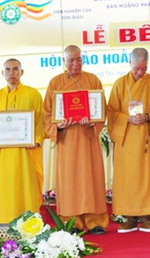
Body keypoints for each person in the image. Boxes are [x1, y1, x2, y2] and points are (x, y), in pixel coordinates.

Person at [43, 45, 109, 235]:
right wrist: (59, 126)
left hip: (88, 139)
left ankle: (95, 222)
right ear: (63, 61)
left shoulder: (93, 80)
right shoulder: (55, 83)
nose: (75, 64)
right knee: (70, 180)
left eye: (79, 59)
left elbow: (101, 109)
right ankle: (72, 222)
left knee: (91, 179)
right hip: (67, 141)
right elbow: (47, 113)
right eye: (71, 60)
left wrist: (94, 121)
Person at [107, 48, 150, 233]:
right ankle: (129, 218)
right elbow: (111, 112)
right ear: (129, 63)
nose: (140, 72)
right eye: (137, 68)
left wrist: (148, 116)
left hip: (146, 138)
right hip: (125, 140)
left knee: (147, 178)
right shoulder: (119, 84)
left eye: (144, 68)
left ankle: (147, 216)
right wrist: (127, 119)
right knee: (127, 179)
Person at [0, 59, 45, 224]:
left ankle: (30, 226)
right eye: (8, 70)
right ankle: (4, 224)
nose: (12, 73)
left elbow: (41, 121)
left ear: (21, 72)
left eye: (15, 69)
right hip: (3, 155)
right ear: (2, 73)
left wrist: (36, 140)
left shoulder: (33, 94)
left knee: (26, 188)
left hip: (25, 154)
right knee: (5, 189)